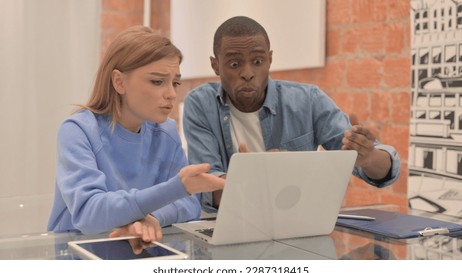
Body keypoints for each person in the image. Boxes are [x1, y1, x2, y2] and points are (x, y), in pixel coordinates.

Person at [182, 16, 400, 212]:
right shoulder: (200, 104)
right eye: (234, 64)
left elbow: (383, 172)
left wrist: (369, 157)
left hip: (299, 222)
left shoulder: (308, 100)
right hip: (231, 223)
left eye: (257, 62)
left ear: (270, 59)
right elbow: (208, 190)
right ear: (215, 65)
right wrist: (261, 175)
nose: (247, 73)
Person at [47, 25, 225, 242]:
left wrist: (150, 218)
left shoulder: (166, 132)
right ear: (119, 82)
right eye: (157, 81)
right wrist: (177, 188)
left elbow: (189, 204)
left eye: (175, 83)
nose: (171, 94)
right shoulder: (77, 130)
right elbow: (88, 213)